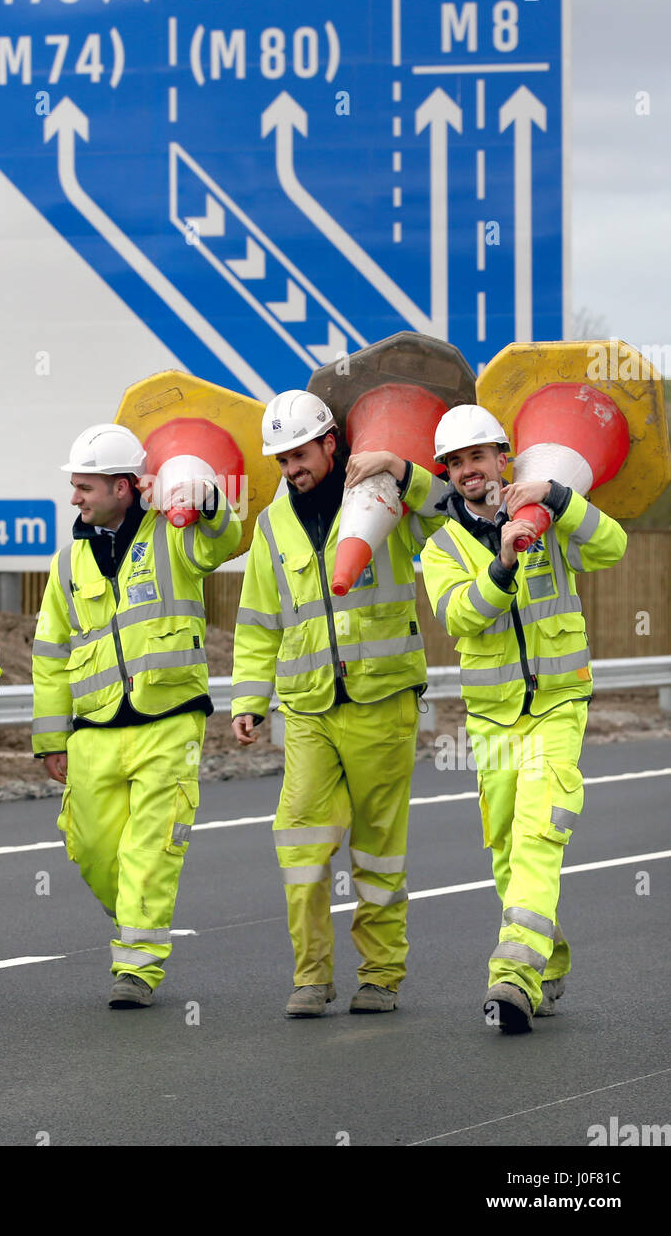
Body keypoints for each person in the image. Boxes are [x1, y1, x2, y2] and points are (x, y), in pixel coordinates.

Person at [231, 389, 446, 1018]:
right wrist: (250, 697)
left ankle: (380, 974)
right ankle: (311, 976)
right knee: (300, 842)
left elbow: (453, 509)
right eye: (282, 461)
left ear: (331, 443)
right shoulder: (272, 527)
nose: (292, 469)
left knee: (379, 846)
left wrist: (401, 468)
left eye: (300, 454)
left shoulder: (386, 496)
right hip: (307, 709)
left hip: (382, 700)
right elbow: (258, 621)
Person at [420, 405, 627, 1033]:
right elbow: (460, 617)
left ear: (502, 458)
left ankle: (511, 976)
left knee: (541, 829)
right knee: (509, 846)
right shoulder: (439, 547)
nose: (466, 471)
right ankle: (548, 957)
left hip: (560, 703)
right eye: (454, 463)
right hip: (493, 717)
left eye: (477, 457)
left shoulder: (550, 517)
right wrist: (503, 565)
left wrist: (560, 498)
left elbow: (613, 546)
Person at [32, 423, 241, 1008]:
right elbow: (50, 653)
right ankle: (133, 914)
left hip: (170, 717)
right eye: (74, 486)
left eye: (86, 487)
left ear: (125, 487)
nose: (75, 498)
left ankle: (137, 968)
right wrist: (51, 737)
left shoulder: (176, 534)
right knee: (92, 848)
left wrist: (209, 499)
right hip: (95, 726)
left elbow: (220, 540)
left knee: (150, 846)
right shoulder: (67, 562)